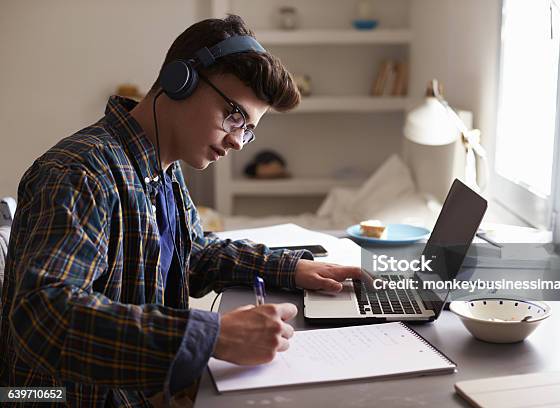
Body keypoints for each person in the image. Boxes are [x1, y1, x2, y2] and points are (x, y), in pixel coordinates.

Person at [0, 15, 362, 407]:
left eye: (248, 128)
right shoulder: (81, 173)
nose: (240, 142)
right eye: (234, 116)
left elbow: (194, 255)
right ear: (180, 81)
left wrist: (291, 268)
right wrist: (211, 337)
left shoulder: (163, 171)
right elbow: (42, 319)